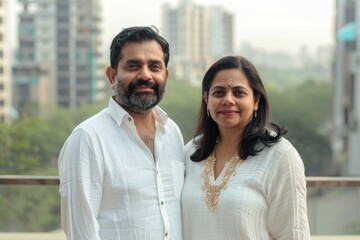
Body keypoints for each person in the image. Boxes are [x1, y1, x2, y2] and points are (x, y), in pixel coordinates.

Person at [58, 26, 185, 240]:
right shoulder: (87, 139)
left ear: (166, 75)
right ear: (112, 76)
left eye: (155, 67)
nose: (145, 75)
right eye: (133, 66)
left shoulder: (172, 132)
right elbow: (81, 231)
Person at [181, 55, 311, 239]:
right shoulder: (191, 152)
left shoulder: (279, 156)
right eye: (218, 92)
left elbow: (293, 234)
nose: (228, 100)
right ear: (206, 99)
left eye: (239, 93)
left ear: (256, 100)